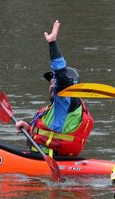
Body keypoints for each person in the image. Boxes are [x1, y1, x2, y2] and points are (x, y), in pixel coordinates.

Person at [14, 20, 94, 158]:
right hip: (41, 155)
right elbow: (53, 130)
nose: (51, 85)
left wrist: (52, 43)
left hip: (49, 158)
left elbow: (62, 78)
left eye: (54, 82)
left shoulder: (67, 101)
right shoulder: (58, 107)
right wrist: (28, 127)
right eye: (51, 82)